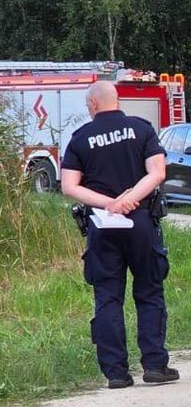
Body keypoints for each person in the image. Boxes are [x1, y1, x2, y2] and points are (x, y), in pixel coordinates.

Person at [58, 81, 178, 389]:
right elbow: (158, 172)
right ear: (118, 100)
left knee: (108, 298)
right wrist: (130, 199)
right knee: (149, 292)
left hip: (102, 223)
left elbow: (69, 186)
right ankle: (154, 365)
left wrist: (109, 203)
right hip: (140, 221)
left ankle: (116, 373)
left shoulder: (80, 138)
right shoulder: (141, 129)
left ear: (93, 105)